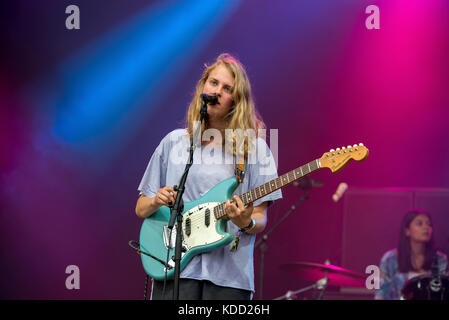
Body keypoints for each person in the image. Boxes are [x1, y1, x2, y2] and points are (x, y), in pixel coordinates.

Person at [135, 53, 282, 300]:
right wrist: (156, 200)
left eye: (227, 88)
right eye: (213, 83)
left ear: (236, 100)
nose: (218, 91)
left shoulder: (255, 149)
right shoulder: (174, 142)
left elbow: (259, 218)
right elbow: (141, 208)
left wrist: (246, 222)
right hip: (174, 268)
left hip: (228, 277)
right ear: (203, 86)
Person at [375, 209, 448, 300]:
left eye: (429, 224)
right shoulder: (390, 259)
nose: (426, 227)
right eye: (419, 224)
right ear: (407, 231)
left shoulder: (440, 259)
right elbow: (381, 293)